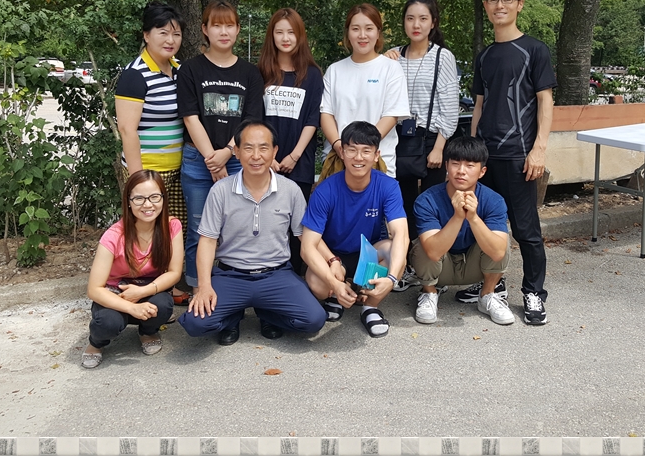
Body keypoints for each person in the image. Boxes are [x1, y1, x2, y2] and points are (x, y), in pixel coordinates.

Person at [178, 120, 327, 345]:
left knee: (314, 319)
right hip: (231, 276)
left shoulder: (290, 190)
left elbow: (304, 237)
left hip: (276, 275)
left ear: (274, 151)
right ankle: (232, 316)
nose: (256, 156)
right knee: (195, 324)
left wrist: (332, 260)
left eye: (263, 148)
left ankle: (267, 312)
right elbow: (207, 241)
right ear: (237, 152)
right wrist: (204, 286)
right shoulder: (220, 190)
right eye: (248, 148)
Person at [469, 0, 556, 326]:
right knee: (487, 225)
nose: (499, 5)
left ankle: (534, 292)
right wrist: (473, 154)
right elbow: (479, 105)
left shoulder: (535, 50)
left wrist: (539, 150)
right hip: (486, 157)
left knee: (526, 229)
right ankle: (493, 284)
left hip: (520, 156)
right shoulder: (484, 56)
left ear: (519, 4)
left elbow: (545, 101)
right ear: (486, 5)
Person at [177, 1, 265, 292]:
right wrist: (211, 159)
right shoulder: (190, 69)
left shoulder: (250, 73)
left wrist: (227, 153)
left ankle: (235, 287)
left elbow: (250, 119)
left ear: (238, 29)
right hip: (198, 160)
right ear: (205, 29)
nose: (223, 32)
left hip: (238, 159)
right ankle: (196, 288)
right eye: (217, 25)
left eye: (229, 25)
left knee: (239, 226)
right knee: (199, 228)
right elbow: (190, 117)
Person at [301, 121, 409, 338]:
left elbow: (402, 235)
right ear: (342, 152)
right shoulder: (325, 190)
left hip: (367, 255)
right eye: (352, 150)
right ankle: (337, 293)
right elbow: (307, 246)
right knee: (317, 284)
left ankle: (370, 306)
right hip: (334, 256)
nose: (358, 158)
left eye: (366, 151)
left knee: (394, 250)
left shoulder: (388, 186)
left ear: (376, 155)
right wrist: (334, 280)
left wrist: (392, 280)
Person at [115, 1, 189, 307]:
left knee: (172, 231)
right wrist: (139, 180)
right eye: (163, 32)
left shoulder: (179, 70)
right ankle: (141, 293)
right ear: (146, 35)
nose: (170, 40)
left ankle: (169, 288)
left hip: (178, 169)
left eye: (176, 33)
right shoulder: (135, 74)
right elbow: (127, 130)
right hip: (147, 171)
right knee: (145, 232)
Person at [81, 170, 184, 368]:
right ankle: (96, 344)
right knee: (108, 323)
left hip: (148, 288)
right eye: (139, 198)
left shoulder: (172, 226)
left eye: (154, 197)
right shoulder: (113, 235)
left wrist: (142, 292)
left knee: (163, 305)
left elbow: (174, 272)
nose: (148, 204)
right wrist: (132, 307)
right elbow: (94, 289)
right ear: (128, 201)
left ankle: (147, 332)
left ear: (163, 198)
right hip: (115, 292)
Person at [410, 136, 513, 326]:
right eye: (455, 164)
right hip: (441, 267)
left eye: (470, 165)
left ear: (482, 172)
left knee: (500, 240)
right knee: (423, 245)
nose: (461, 171)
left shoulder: (493, 200)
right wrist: (458, 217)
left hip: (475, 266)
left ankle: (487, 295)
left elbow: (498, 253)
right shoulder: (427, 200)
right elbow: (433, 252)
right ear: (446, 166)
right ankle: (429, 293)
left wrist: (473, 218)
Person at [384, 0, 460, 238]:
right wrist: (382, 60)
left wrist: (439, 147)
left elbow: (450, 107)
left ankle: (430, 254)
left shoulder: (442, 57)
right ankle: (405, 254)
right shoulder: (392, 57)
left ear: (433, 22)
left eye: (423, 19)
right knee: (402, 204)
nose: (416, 25)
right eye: (410, 18)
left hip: (431, 139)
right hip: (398, 138)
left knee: (431, 204)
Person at [258, 8, 324, 275]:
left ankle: (295, 277)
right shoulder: (261, 72)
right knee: (266, 221)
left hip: (299, 160)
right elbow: (256, 118)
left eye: (291, 32)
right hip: (264, 160)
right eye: (279, 32)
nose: (285, 38)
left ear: (300, 35)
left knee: (297, 225)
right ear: (271, 35)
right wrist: (268, 157)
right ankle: (266, 275)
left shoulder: (312, 74)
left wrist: (294, 155)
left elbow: (312, 119)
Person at [320, 3, 410, 178]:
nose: (362, 35)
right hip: (338, 160)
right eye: (355, 29)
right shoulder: (335, 70)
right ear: (348, 33)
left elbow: (391, 115)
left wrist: (362, 151)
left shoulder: (391, 69)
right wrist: (340, 146)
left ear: (378, 32)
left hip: (378, 162)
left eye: (369, 28)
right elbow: (326, 113)